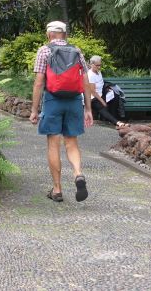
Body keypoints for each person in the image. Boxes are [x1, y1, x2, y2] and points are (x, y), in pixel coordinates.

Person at [28, 21, 93, 202]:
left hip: (53, 101)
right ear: (64, 34)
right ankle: (78, 174)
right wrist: (88, 108)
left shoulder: (44, 51)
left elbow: (39, 82)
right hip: (74, 101)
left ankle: (57, 190)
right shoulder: (77, 50)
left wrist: (34, 110)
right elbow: (86, 82)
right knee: (71, 142)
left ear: (49, 34)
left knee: (53, 144)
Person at [86, 56, 127, 128]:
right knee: (101, 107)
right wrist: (102, 101)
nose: (99, 67)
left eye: (100, 65)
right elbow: (93, 91)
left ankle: (114, 118)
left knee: (115, 95)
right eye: (97, 65)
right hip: (93, 97)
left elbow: (101, 83)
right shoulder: (90, 75)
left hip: (101, 93)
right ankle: (117, 122)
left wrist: (107, 89)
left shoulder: (98, 72)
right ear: (91, 65)